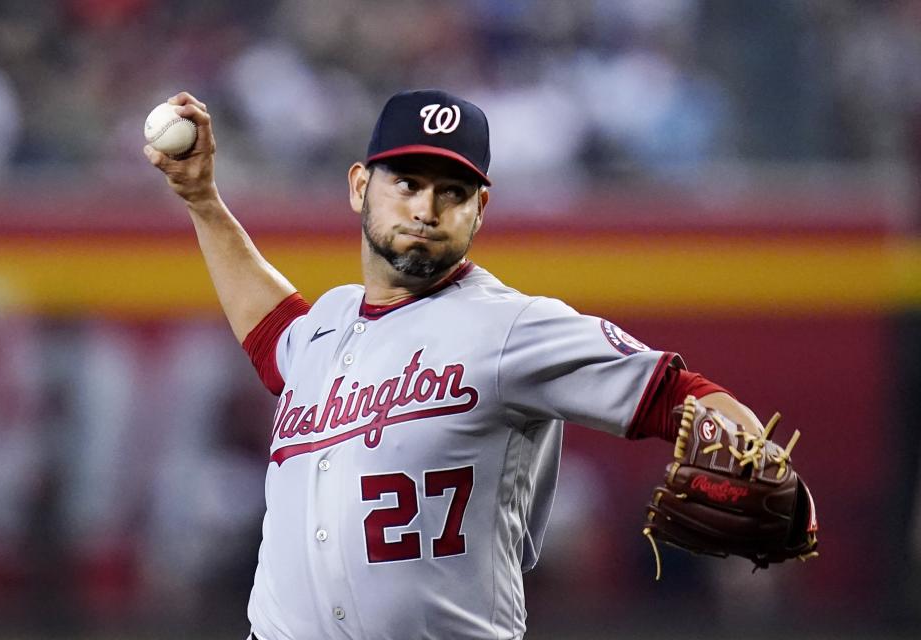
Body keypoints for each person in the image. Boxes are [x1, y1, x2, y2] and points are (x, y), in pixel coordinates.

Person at [145, 89, 769, 640]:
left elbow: (678, 394)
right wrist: (202, 200)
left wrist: (747, 461)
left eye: (452, 192)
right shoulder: (327, 325)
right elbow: (273, 330)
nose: (426, 208)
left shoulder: (512, 326)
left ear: (480, 208)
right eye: (408, 183)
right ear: (361, 186)